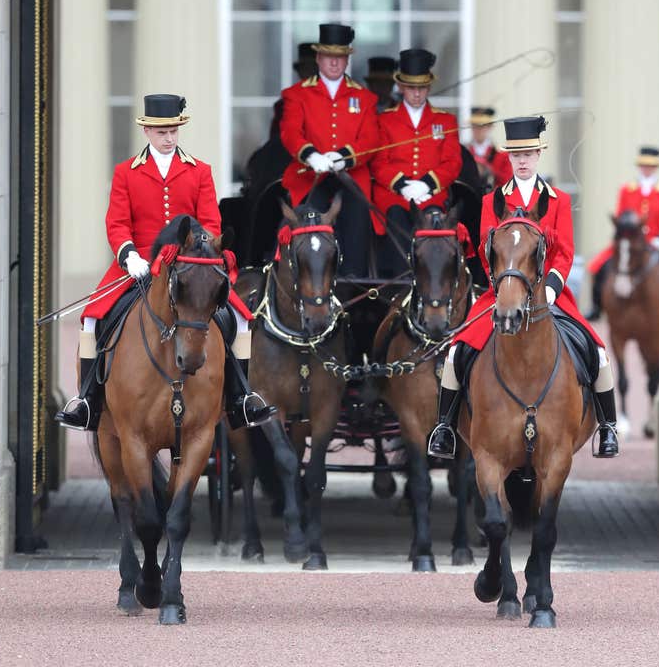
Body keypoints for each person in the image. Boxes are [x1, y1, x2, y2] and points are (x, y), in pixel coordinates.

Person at [56, 94, 274, 431]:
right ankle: (87, 400)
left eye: (173, 130)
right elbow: (116, 223)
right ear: (147, 131)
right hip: (139, 261)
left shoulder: (199, 170)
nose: (168, 138)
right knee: (91, 320)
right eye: (161, 132)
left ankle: (240, 398)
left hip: (189, 261)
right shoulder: (126, 172)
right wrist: (128, 254)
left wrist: (199, 249)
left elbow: (211, 222)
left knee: (242, 321)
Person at [427, 115, 620, 460]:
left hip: (550, 295)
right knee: (457, 353)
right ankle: (444, 428)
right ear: (509, 158)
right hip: (502, 292)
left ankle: (607, 428)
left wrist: (548, 290)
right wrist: (506, 287)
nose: (523, 161)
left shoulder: (558, 199)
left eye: (529, 153)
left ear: (539, 154)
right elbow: (488, 250)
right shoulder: (492, 202)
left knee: (599, 353)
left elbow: (565, 254)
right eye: (516, 155)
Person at [279, 23, 379, 276]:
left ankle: (354, 285)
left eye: (340, 57)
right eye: (328, 57)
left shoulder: (365, 98)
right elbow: (290, 132)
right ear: (318, 58)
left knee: (357, 228)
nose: (334, 63)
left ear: (347, 60)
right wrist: (311, 155)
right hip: (309, 177)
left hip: (351, 179)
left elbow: (371, 139)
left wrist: (343, 157)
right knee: (309, 226)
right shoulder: (297, 94)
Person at [370, 48, 463, 277]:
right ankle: (400, 280)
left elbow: (452, 162)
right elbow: (379, 162)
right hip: (393, 196)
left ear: (429, 87)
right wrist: (403, 186)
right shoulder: (385, 120)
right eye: (411, 87)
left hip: (432, 195)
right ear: (401, 87)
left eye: (421, 87)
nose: (417, 93)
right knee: (396, 218)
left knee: (434, 222)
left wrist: (425, 185)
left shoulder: (445, 120)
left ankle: (434, 282)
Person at [585, 145, 659, 320]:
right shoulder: (627, 190)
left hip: (654, 243)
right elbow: (621, 216)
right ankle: (597, 307)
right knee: (597, 266)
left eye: (650, 166)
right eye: (644, 165)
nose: (647, 169)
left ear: (656, 167)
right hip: (629, 241)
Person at [467, 105, 511, 192]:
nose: (478, 130)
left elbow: (507, 182)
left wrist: (488, 170)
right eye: (474, 126)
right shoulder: (463, 152)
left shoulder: (501, 154)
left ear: (490, 127)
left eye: (482, 126)